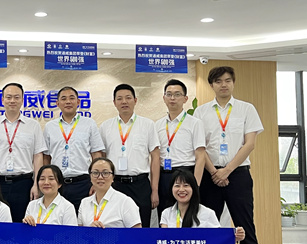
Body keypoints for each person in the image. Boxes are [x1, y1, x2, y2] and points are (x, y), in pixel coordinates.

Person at [194, 66, 265, 244]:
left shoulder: (246, 109)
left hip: (238, 175)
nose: (223, 85)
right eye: (218, 81)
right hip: (210, 175)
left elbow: (249, 144)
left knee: (246, 228)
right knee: (206, 228)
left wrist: (227, 170)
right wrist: (215, 172)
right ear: (211, 85)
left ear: (233, 83)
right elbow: (200, 147)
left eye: (227, 80)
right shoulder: (201, 112)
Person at [0, 83, 46, 222]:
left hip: (24, 183)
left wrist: (36, 184)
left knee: (23, 222)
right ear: (2, 100)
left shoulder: (33, 125)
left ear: (22, 100)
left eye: (16, 97)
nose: (12, 101)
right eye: (8, 97)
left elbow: (38, 156)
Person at [99, 84, 160, 228]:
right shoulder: (105, 127)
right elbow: (101, 158)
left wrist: (154, 190)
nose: (124, 102)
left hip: (140, 185)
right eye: (119, 99)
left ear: (135, 100)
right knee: (114, 226)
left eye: (128, 98)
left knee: (141, 227)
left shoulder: (147, 125)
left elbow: (155, 157)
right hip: (114, 184)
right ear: (114, 102)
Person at [43, 86, 105, 212]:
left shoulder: (89, 124)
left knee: (83, 219)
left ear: (78, 102)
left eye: (72, 98)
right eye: (63, 99)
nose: (68, 102)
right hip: (57, 184)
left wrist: (96, 182)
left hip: (83, 183)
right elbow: (46, 158)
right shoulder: (50, 127)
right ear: (57, 103)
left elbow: (96, 155)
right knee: (56, 218)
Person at [155, 79, 205, 218]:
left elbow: (201, 156)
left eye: (177, 94)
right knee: (165, 217)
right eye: (169, 94)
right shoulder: (157, 125)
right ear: (164, 98)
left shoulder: (195, 123)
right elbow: (155, 157)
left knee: (187, 219)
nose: (172, 98)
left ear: (185, 98)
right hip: (164, 176)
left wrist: (195, 185)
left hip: (186, 175)